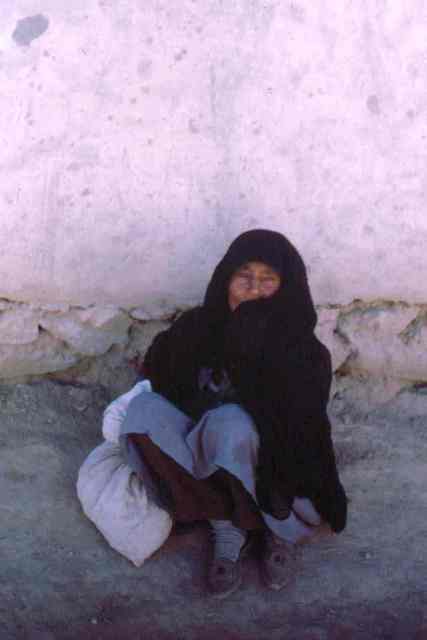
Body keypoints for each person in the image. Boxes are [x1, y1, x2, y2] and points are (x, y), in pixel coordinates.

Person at [120, 229, 347, 598]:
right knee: (142, 413)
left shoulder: (304, 351)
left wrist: (252, 348)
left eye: (267, 279)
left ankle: (277, 530)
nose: (253, 288)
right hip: (210, 457)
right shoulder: (197, 328)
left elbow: (303, 434)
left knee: (230, 424)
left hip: (276, 473)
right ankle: (224, 523)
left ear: (286, 287)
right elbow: (164, 381)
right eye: (243, 276)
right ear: (225, 279)